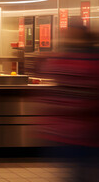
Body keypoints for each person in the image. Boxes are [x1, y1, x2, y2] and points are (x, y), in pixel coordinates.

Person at [34, 19, 99, 182]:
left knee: (76, 174)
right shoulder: (91, 61)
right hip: (83, 132)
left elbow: (44, 71)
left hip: (67, 132)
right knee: (81, 173)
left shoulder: (60, 60)